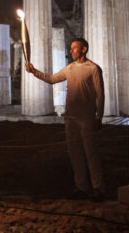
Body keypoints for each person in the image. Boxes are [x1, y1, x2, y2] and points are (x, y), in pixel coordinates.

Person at [25, 37, 106, 202]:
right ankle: (81, 188)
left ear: (84, 49)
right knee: (75, 154)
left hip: (87, 117)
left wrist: (99, 117)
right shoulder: (69, 68)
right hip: (70, 117)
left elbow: (100, 95)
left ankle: (98, 189)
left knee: (91, 154)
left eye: (74, 48)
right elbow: (52, 79)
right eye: (71, 48)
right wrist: (34, 71)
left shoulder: (93, 69)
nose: (71, 51)